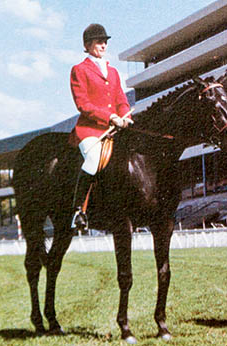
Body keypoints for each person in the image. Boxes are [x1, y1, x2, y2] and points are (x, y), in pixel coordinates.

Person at [69, 23, 133, 230]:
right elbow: (83, 104)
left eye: (105, 41)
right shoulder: (79, 70)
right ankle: (79, 210)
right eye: (99, 41)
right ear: (88, 45)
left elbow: (121, 99)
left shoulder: (113, 72)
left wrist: (124, 115)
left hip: (115, 128)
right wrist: (110, 117)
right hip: (91, 130)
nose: (103, 45)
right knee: (94, 158)